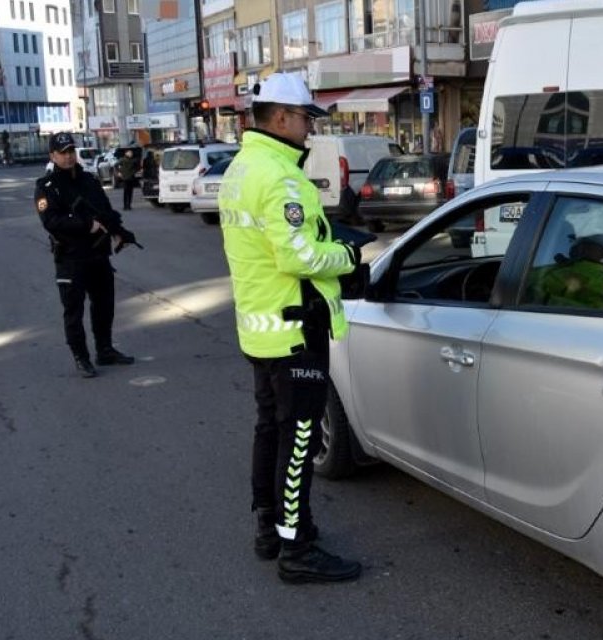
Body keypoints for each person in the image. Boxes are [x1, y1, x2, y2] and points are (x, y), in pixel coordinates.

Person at [218, 71, 363, 584]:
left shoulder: (242, 168)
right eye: (306, 119)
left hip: (261, 329)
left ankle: (270, 528)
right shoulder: (278, 176)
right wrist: (347, 253)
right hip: (293, 332)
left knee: (271, 430)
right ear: (281, 118)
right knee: (298, 439)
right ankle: (296, 548)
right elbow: (298, 253)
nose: (310, 130)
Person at [35, 132, 141, 378]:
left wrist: (120, 232)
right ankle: (81, 358)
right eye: (63, 152)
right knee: (74, 312)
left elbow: (105, 211)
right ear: (53, 155)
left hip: (98, 255)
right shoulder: (47, 186)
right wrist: (86, 225)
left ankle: (105, 350)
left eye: (71, 151)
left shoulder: (89, 181)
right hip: (71, 259)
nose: (69, 156)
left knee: (104, 306)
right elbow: (51, 221)